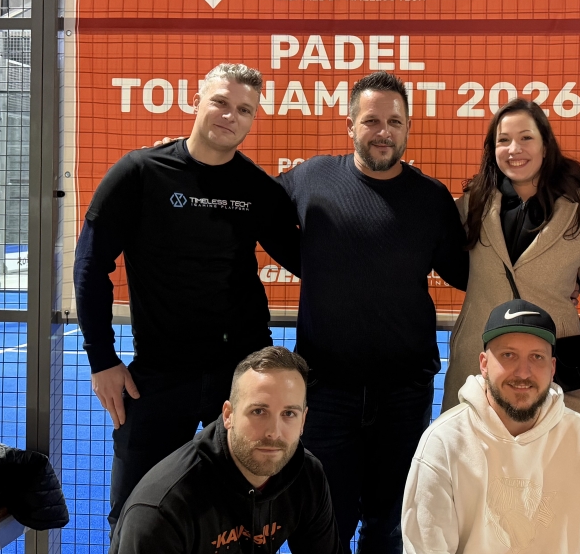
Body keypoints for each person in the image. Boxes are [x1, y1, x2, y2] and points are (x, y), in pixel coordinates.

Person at [74, 63, 302, 529]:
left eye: (244, 110)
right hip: (159, 374)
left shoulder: (257, 188)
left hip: (240, 374)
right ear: (196, 102)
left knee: (247, 512)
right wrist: (101, 358)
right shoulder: (140, 172)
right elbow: (90, 265)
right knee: (135, 513)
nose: (230, 116)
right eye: (221, 102)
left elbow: (311, 261)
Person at [278, 71, 469, 554]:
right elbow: (255, 212)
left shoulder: (431, 198)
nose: (383, 132)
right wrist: (311, 264)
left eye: (394, 122)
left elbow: (468, 272)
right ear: (350, 125)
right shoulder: (310, 177)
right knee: (323, 526)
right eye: (371, 121)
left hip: (403, 394)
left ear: (407, 128)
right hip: (326, 391)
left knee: (389, 527)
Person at [401, 299, 580, 554]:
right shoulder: (443, 442)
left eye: (537, 357)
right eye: (508, 355)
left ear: (552, 368)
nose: (523, 372)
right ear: (484, 364)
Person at [443, 99, 580, 421]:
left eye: (526, 137)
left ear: (545, 145)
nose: (515, 149)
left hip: (555, 369)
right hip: (478, 361)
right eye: (503, 140)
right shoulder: (472, 205)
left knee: (557, 454)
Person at [109, 346, 339, 554]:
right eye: (258, 411)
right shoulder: (163, 510)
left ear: (303, 421)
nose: (273, 432)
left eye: (289, 414)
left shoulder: (306, 475)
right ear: (228, 415)